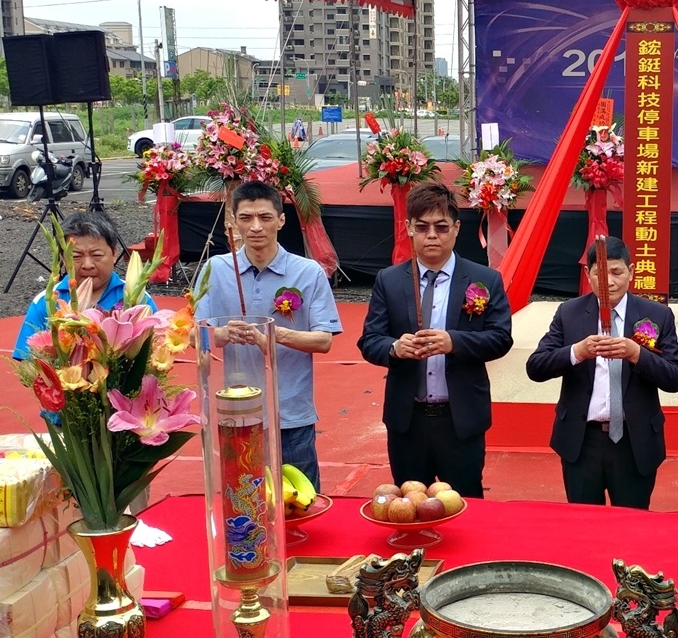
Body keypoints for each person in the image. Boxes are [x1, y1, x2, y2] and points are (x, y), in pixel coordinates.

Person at [357, 181, 513, 497]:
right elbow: (369, 340)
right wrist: (395, 348)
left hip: (460, 418)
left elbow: (500, 338)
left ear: (456, 229)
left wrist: (454, 342)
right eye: (423, 227)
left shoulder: (485, 279)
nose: (432, 235)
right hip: (408, 420)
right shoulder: (390, 280)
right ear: (408, 228)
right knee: (410, 504)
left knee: (466, 502)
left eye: (441, 227)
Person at [194, 181, 342, 493]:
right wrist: (221, 333)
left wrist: (275, 336)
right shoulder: (216, 269)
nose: (256, 227)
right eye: (246, 218)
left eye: (265, 217)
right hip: (237, 412)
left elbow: (324, 340)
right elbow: (196, 334)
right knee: (244, 504)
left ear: (281, 220)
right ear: (232, 222)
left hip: (291, 413)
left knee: (301, 503)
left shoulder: (308, 272)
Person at [525, 238, 678, 509]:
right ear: (588, 275)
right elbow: (536, 367)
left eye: (616, 272)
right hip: (582, 441)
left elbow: (675, 377)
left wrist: (637, 354)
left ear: (632, 272)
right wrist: (578, 352)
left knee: (632, 524)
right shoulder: (569, 313)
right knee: (585, 527)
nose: (608, 281)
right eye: (600, 273)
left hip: (634, 443)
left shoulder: (657, 315)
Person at [14, 211, 156, 359]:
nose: (87, 265)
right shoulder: (47, 300)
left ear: (114, 254)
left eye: (96, 255)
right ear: (63, 258)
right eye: (76, 256)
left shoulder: (139, 299)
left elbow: (153, 355)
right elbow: (28, 360)